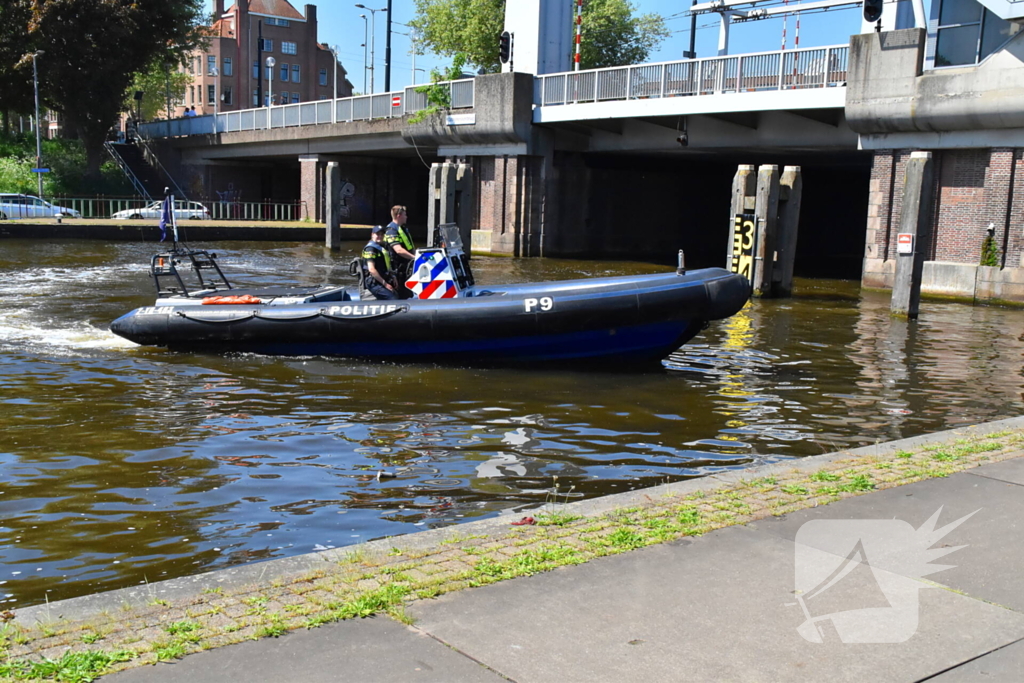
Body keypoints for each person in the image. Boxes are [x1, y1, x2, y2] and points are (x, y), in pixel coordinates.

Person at [360, 225, 397, 300]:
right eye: (377, 234)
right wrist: (385, 284)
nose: (380, 236)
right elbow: (371, 269)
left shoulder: (381, 248)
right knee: (393, 299)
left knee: (399, 293)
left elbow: (387, 266)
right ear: (372, 235)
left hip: (382, 279)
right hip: (374, 283)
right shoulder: (370, 249)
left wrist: (393, 277)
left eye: (381, 234)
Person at [383, 205, 415, 285]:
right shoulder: (391, 230)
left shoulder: (402, 229)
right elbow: (399, 250)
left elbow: (409, 246)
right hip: (396, 267)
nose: (406, 217)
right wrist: (415, 258)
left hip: (405, 265)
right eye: (405, 215)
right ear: (399, 216)